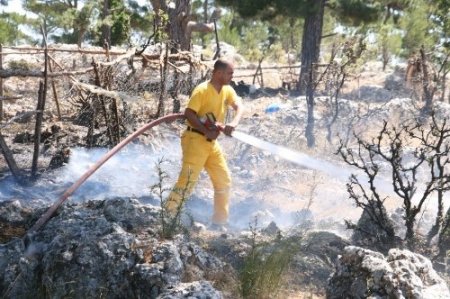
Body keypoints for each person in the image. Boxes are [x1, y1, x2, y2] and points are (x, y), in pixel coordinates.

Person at [167, 59, 244, 229]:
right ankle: (167, 217)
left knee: (223, 180)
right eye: (230, 73)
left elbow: (239, 106)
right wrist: (205, 130)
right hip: (195, 140)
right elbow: (189, 113)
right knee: (187, 181)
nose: (232, 76)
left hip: (211, 144)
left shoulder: (227, 90)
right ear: (219, 73)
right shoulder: (202, 90)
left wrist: (234, 123)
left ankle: (219, 222)